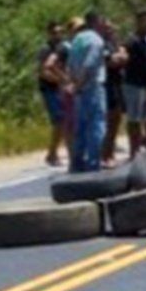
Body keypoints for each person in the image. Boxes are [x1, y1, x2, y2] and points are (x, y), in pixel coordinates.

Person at [63, 12, 109, 173]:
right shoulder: (96, 40)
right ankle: (93, 164)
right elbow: (89, 66)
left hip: (79, 92)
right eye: (102, 21)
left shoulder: (77, 40)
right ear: (96, 21)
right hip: (92, 88)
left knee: (80, 128)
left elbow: (69, 65)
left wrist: (72, 84)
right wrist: (79, 85)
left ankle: (77, 163)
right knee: (97, 127)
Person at [120, 9, 146, 159]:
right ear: (139, 22)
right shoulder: (131, 40)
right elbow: (123, 52)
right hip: (134, 84)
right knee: (134, 119)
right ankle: (133, 150)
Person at [36, 19, 69, 167]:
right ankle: (52, 153)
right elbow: (43, 72)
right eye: (55, 32)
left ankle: (59, 151)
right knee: (59, 120)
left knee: (66, 121)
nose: (58, 35)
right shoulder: (45, 50)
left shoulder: (63, 48)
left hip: (62, 89)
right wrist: (60, 81)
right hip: (50, 89)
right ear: (49, 33)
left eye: (61, 32)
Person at [100, 20, 129, 166]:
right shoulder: (102, 44)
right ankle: (106, 156)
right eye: (108, 29)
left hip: (117, 83)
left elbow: (124, 57)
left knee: (116, 120)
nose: (111, 31)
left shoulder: (114, 44)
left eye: (112, 29)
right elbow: (111, 62)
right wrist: (120, 57)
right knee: (110, 121)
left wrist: (120, 54)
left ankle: (109, 152)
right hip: (108, 85)